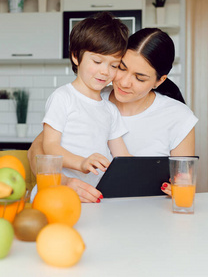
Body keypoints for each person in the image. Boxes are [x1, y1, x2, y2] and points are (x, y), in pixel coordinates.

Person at [28, 28, 198, 202]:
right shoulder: (91, 98)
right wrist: (64, 182)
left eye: (140, 78)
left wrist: (176, 186)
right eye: (121, 68)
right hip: (85, 206)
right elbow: (37, 151)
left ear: (159, 81)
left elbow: (183, 180)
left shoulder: (179, 117)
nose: (124, 82)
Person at [41, 12, 131, 191]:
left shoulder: (110, 109)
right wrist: (81, 163)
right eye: (97, 61)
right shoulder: (63, 97)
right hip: (61, 192)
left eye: (114, 65)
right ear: (76, 56)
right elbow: (49, 146)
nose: (105, 71)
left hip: (95, 194)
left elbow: (123, 157)